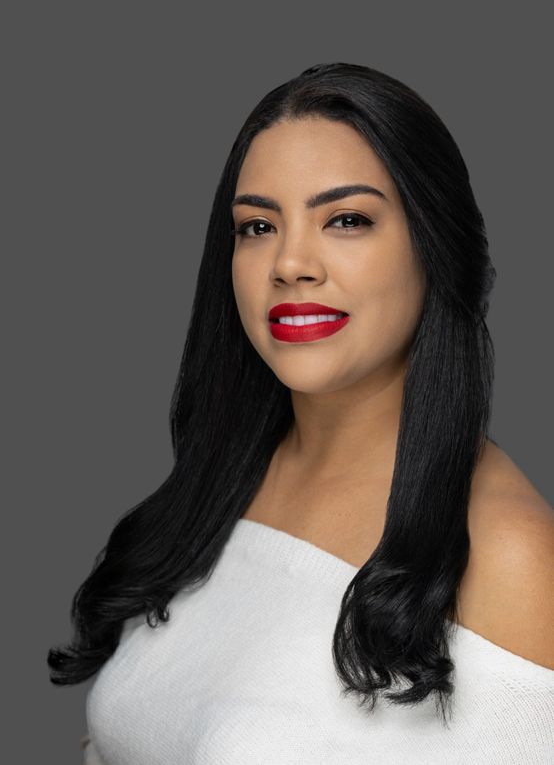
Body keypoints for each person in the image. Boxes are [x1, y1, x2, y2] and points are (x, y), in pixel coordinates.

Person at [48, 62, 554, 764]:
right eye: (257, 226)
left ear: (436, 248)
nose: (290, 263)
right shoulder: (217, 489)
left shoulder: (512, 558)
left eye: (346, 219)